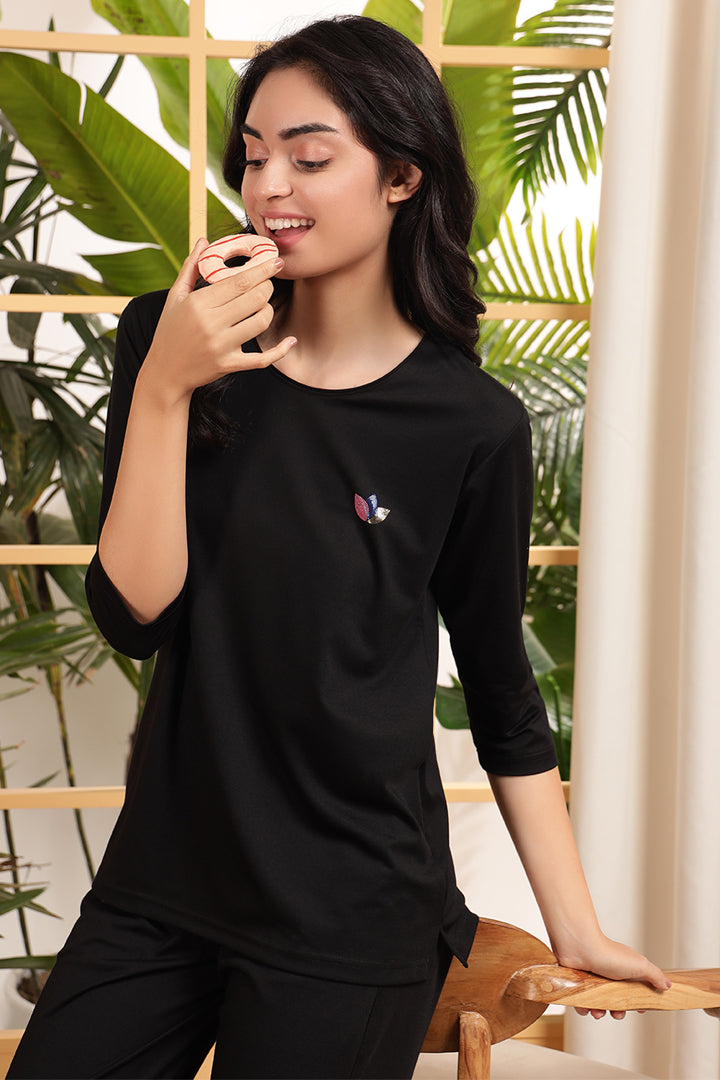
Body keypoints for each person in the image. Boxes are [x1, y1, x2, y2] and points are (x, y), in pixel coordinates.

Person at [8, 15, 670, 1080]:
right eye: (253, 156)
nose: (269, 185)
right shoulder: (169, 337)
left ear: (403, 176)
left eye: (310, 158)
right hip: (160, 887)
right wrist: (169, 386)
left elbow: (502, 691)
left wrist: (575, 925)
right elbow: (134, 616)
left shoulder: (470, 426)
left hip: (351, 917)